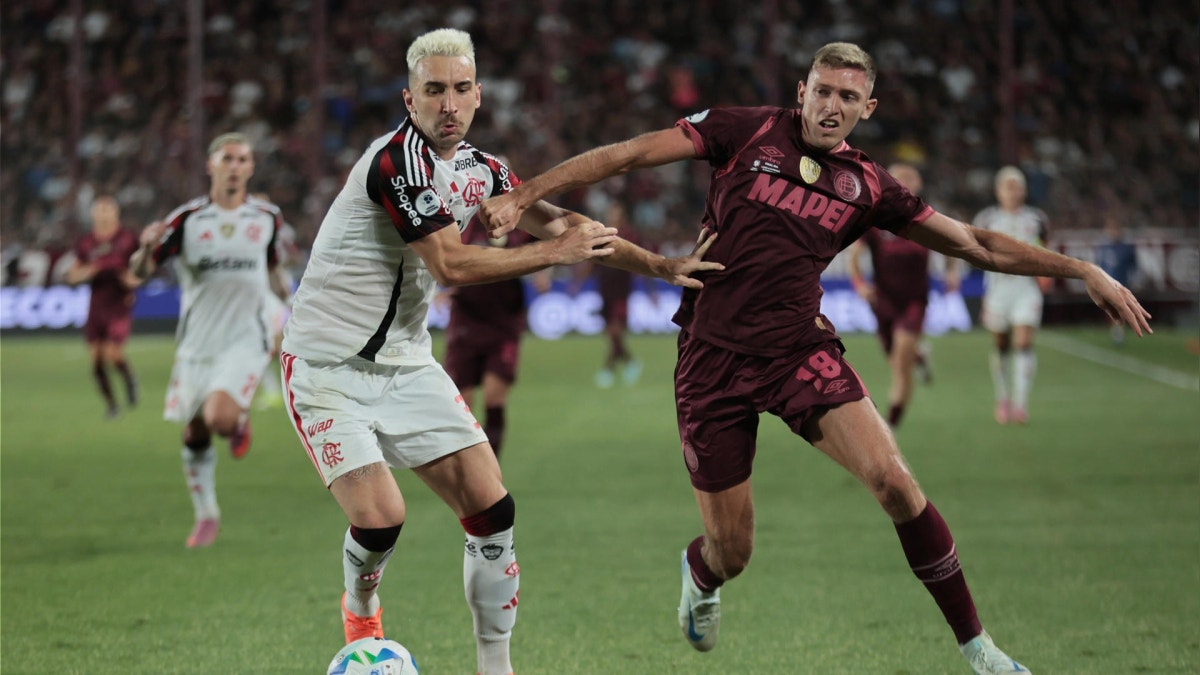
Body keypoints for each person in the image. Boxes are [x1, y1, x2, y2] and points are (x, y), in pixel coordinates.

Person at [479, 42, 1151, 674]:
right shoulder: (743, 131)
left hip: (800, 351)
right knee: (732, 550)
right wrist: (524, 192)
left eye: (848, 97)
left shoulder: (867, 185)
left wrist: (1081, 270)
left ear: (867, 110)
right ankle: (703, 572)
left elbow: (976, 243)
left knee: (895, 483)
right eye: (822, 90)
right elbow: (627, 155)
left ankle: (979, 647)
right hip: (711, 361)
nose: (832, 105)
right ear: (801, 91)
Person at [277, 28, 720, 675]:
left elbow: (570, 228)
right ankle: (360, 602)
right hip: (325, 368)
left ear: (478, 96)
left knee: (492, 508)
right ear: (410, 98)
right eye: (434, 90)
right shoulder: (394, 162)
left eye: (460, 89)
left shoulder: (484, 171)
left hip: (405, 363)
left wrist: (660, 263)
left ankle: (496, 666)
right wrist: (551, 253)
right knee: (382, 518)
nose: (448, 103)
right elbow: (450, 264)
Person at [130, 132, 292, 549]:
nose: (234, 166)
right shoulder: (187, 220)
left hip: (247, 337)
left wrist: (289, 313)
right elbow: (142, 271)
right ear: (211, 165)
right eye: (227, 159)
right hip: (198, 343)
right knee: (194, 433)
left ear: (251, 167)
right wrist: (145, 250)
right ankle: (207, 516)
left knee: (219, 419)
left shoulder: (266, 218)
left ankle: (236, 419)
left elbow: (274, 272)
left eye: (242, 159)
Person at [846, 163, 959, 427]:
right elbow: (853, 256)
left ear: (919, 183)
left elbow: (954, 243)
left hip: (915, 301)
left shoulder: (927, 218)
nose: (906, 181)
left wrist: (952, 272)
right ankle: (919, 356)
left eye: (911, 177)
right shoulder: (875, 219)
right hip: (883, 302)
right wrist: (859, 284)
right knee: (896, 358)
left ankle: (891, 427)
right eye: (900, 177)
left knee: (899, 368)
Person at [438, 216, 551, 460]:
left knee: (494, 397)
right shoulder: (461, 220)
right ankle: (465, 465)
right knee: (461, 404)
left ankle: (491, 466)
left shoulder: (517, 220)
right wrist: (437, 288)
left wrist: (542, 271)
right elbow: (435, 249)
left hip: (504, 323)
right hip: (466, 321)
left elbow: (546, 238)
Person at [972, 166, 1051, 425]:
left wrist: (1046, 273)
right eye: (1008, 186)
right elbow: (973, 250)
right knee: (1001, 345)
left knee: (1024, 343)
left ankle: (1020, 404)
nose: (1013, 191)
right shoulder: (987, 219)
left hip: (1026, 290)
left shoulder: (1037, 218)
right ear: (998, 191)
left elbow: (1044, 247)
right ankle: (1003, 397)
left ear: (1024, 190)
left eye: (1017, 186)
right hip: (998, 291)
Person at [65, 195, 142, 418]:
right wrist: (86, 273)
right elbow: (73, 275)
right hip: (96, 304)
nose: (103, 214)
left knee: (112, 354)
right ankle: (112, 405)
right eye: (99, 210)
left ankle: (129, 379)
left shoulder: (127, 239)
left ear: (116, 213)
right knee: (96, 361)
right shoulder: (86, 243)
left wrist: (132, 281)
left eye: (108, 209)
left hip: (119, 304)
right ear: (92, 214)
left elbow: (140, 269)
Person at [581, 202, 644, 388]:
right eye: (610, 213)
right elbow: (593, 259)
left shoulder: (630, 236)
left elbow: (643, 258)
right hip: (605, 290)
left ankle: (608, 370)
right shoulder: (602, 234)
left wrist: (651, 290)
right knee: (611, 334)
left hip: (621, 291)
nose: (611, 217)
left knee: (615, 331)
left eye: (615, 214)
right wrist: (578, 281)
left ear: (622, 217)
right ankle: (631, 363)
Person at [1094, 216, 1138, 344]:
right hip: (1105, 283)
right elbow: (1099, 264)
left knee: (1120, 307)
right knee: (1110, 307)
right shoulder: (1103, 247)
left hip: (1121, 283)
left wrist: (1134, 279)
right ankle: (1117, 330)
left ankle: (1118, 331)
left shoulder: (1126, 248)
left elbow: (1133, 265)